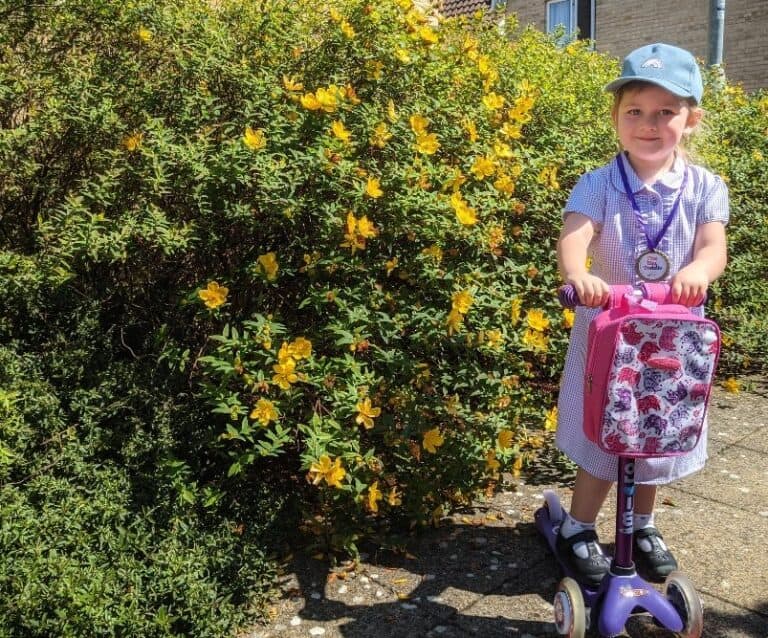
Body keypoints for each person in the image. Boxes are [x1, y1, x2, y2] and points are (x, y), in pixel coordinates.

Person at [554, 43, 729, 586]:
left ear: (691, 119)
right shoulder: (598, 183)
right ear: (616, 118)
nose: (648, 125)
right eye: (635, 111)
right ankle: (578, 527)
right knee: (605, 441)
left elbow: (713, 247)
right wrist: (580, 274)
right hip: (609, 335)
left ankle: (645, 523)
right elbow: (574, 237)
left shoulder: (705, 188)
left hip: (674, 341)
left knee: (658, 434)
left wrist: (700, 270)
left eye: (665, 113)